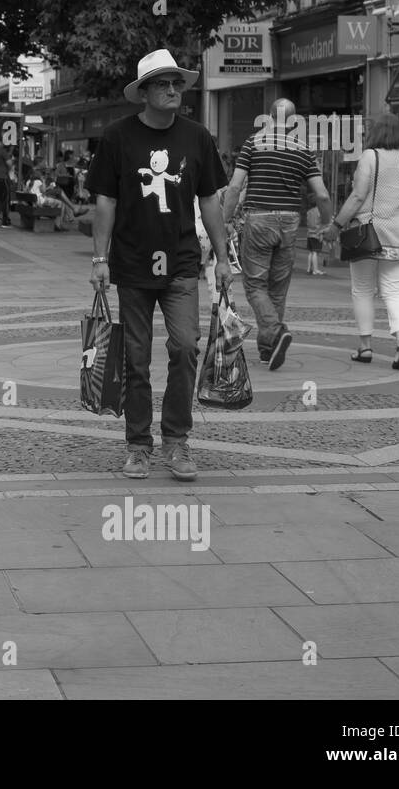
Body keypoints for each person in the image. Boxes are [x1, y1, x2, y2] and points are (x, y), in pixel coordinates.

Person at [88, 49, 230, 482]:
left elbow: (209, 200)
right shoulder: (117, 137)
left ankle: (176, 440)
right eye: (164, 84)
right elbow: (105, 201)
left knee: (185, 347)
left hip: (183, 261)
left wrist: (224, 257)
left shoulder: (197, 136)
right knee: (134, 357)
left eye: (177, 84)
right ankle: (137, 445)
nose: (173, 90)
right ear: (144, 92)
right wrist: (99, 258)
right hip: (130, 262)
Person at [221, 98, 333, 370]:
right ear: (294, 120)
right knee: (278, 289)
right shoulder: (302, 148)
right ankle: (268, 348)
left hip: (259, 218)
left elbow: (235, 187)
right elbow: (322, 194)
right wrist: (328, 223)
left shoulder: (254, 143)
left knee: (255, 285)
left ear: (269, 117)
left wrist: (225, 219)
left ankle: (275, 330)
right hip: (290, 222)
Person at [322, 112, 399, 369]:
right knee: (394, 289)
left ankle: (365, 346)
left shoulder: (371, 156)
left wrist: (336, 226)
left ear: (375, 134)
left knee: (362, 289)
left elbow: (358, 197)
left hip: (369, 234)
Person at [305, 199, 326, 275]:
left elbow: (307, 222)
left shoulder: (309, 212)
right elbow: (322, 223)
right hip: (316, 234)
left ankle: (308, 269)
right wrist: (321, 233)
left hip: (309, 233)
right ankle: (315, 270)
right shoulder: (319, 211)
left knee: (310, 252)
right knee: (315, 252)